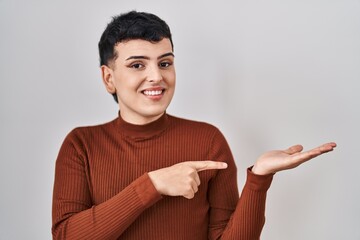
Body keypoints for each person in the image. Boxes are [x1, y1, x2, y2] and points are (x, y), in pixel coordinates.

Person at [51, 11, 336, 240]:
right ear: (108, 77)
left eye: (165, 63)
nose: (156, 77)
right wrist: (152, 185)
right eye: (137, 65)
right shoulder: (81, 145)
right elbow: (66, 236)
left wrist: (259, 179)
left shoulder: (207, 140)